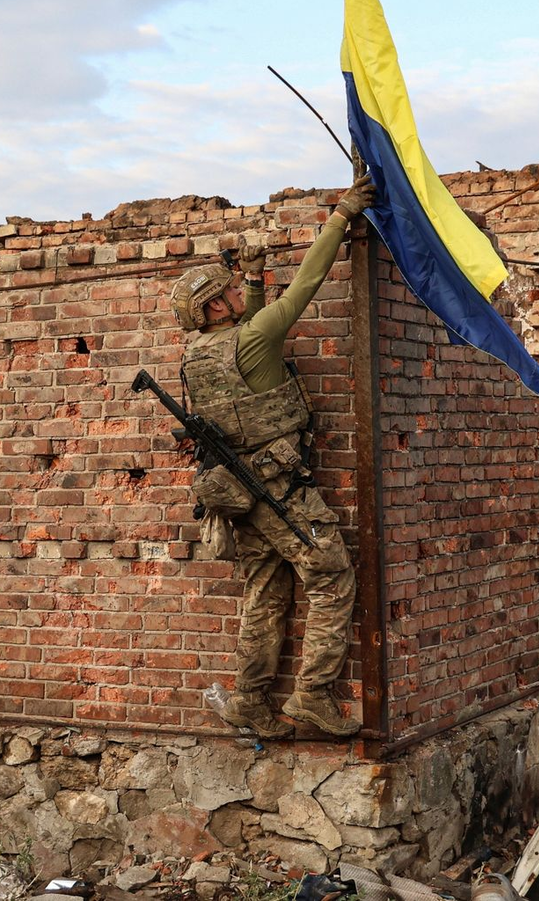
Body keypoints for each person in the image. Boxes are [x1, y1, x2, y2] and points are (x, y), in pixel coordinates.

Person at [169, 175, 376, 739]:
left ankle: (250, 701)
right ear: (214, 306)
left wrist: (256, 279)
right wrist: (341, 216)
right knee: (332, 577)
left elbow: (255, 336)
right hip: (282, 489)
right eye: (231, 289)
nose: (241, 292)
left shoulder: (198, 354)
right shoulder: (254, 336)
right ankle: (312, 696)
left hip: (239, 495)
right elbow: (308, 283)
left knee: (265, 595)